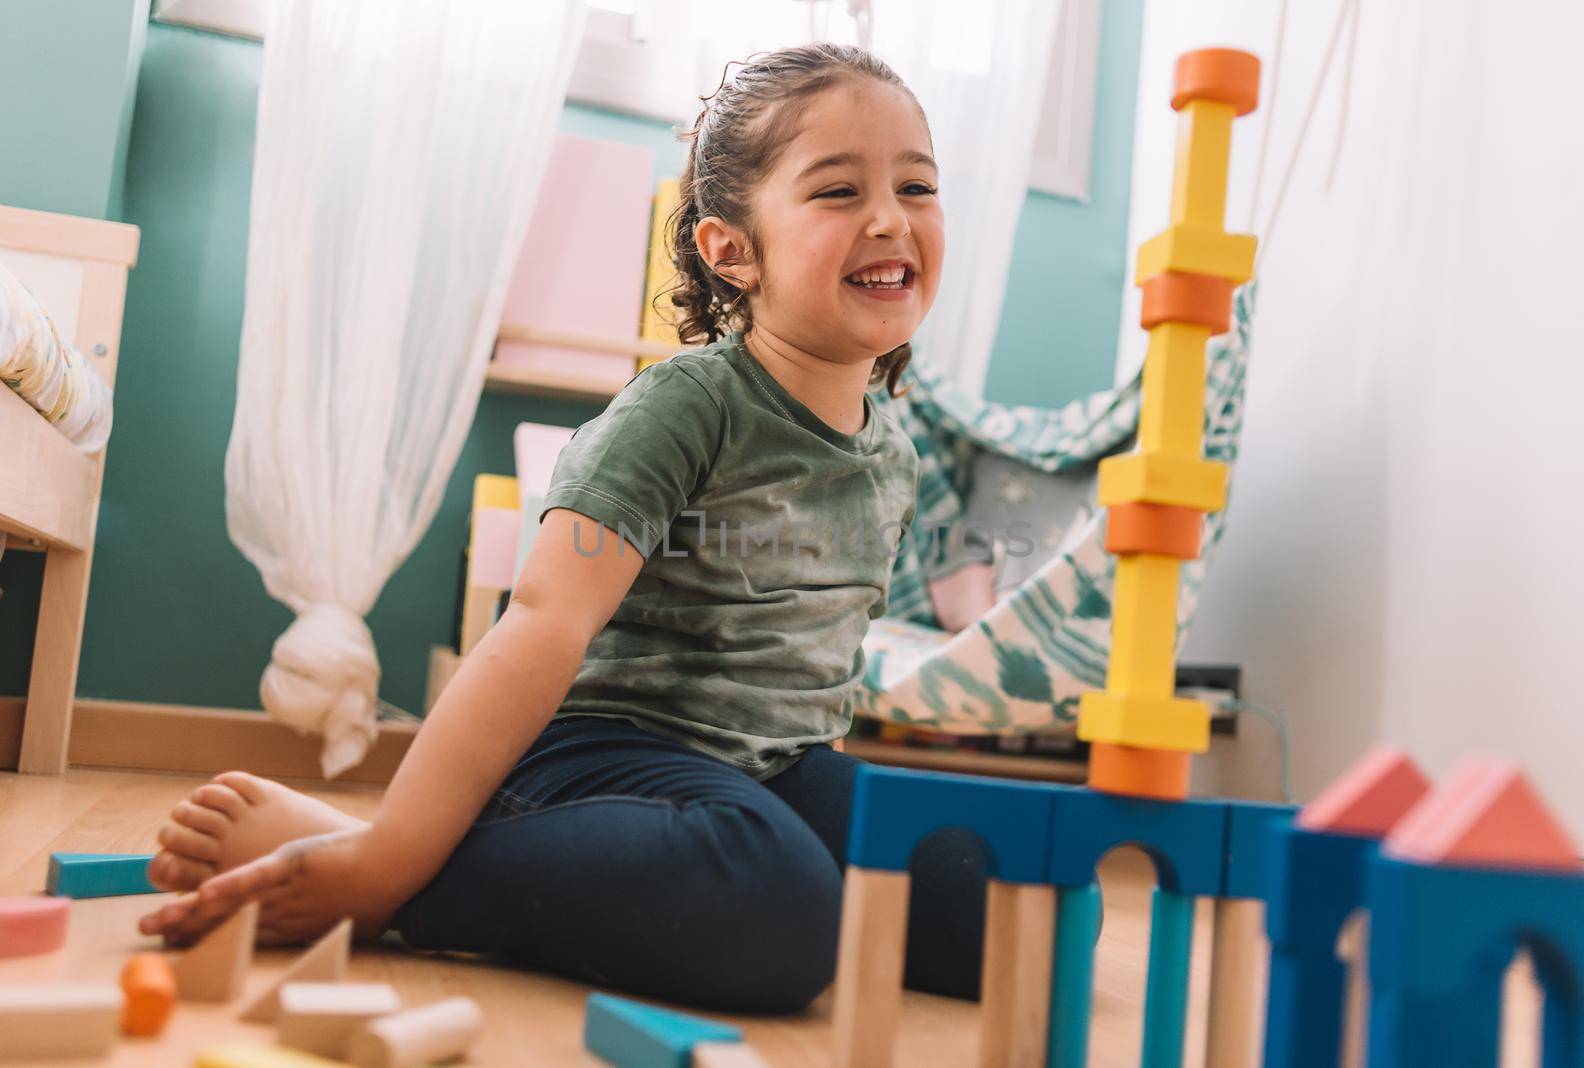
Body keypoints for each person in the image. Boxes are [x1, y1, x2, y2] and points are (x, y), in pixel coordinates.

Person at [140, 42, 990, 1013]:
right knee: (779, 905)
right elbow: (542, 624)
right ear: (730, 249)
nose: (890, 218)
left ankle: (437, 860)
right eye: (838, 192)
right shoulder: (686, 408)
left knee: (1010, 893)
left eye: (916, 185)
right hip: (597, 756)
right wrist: (385, 862)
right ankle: (402, 878)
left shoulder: (893, 453)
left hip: (775, 769)